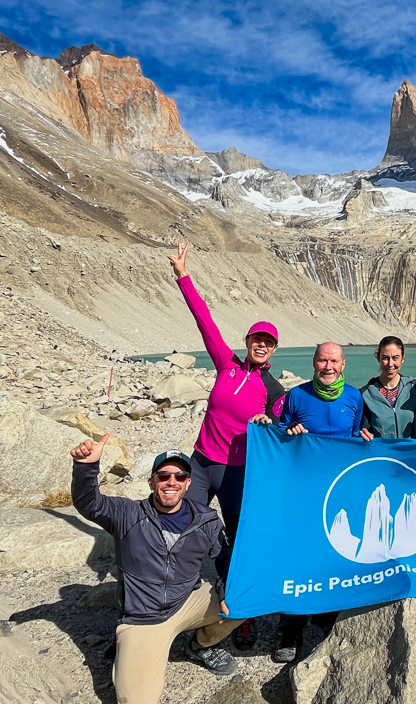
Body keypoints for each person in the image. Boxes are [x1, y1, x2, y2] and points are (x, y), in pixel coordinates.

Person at [168, 241, 285, 647]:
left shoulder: (272, 387)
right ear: (248, 340)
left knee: (239, 537)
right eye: (257, 338)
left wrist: (271, 420)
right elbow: (204, 322)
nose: (261, 345)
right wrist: (183, 275)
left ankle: (238, 608)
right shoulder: (226, 364)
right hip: (201, 464)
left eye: (268, 342)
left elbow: (289, 422)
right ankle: (175, 602)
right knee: (186, 529)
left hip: (238, 472)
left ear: (273, 350)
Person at [71, 436, 241, 704]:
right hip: (144, 619)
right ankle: (129, 647)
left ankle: (201, 645)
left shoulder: (206, 519)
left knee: (247, 598)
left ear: (188, 483)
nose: (171, 481)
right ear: (151, 482)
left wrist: (224, 590)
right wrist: (85, 467)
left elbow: (223, 557)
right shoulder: (126, 514)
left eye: (179, 475)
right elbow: (90, 504)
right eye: (163, 475)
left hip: (187, 601)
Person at [274, 341, 363, 661]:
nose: (328, 366)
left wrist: (363, 440)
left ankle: (326, 614)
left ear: (343, 364)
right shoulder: (296, 395)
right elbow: (278, 438)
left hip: (339, 490)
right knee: (299, 556)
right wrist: (289, 432)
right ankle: (291, 628)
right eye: (323, 360)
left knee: (337, 550)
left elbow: (354, 438)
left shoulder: (354, 397)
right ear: (314, 362)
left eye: (334, 361)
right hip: (304, 491)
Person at [359, 336, 416, 440]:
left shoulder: (413, 387)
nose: (390, 364)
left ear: (403, 358)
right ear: (378, 357)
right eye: (385, 358)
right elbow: (363, 427)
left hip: (410, 452)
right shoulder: (366, 394)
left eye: (395, 358)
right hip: (383, 454)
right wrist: (362, 433)